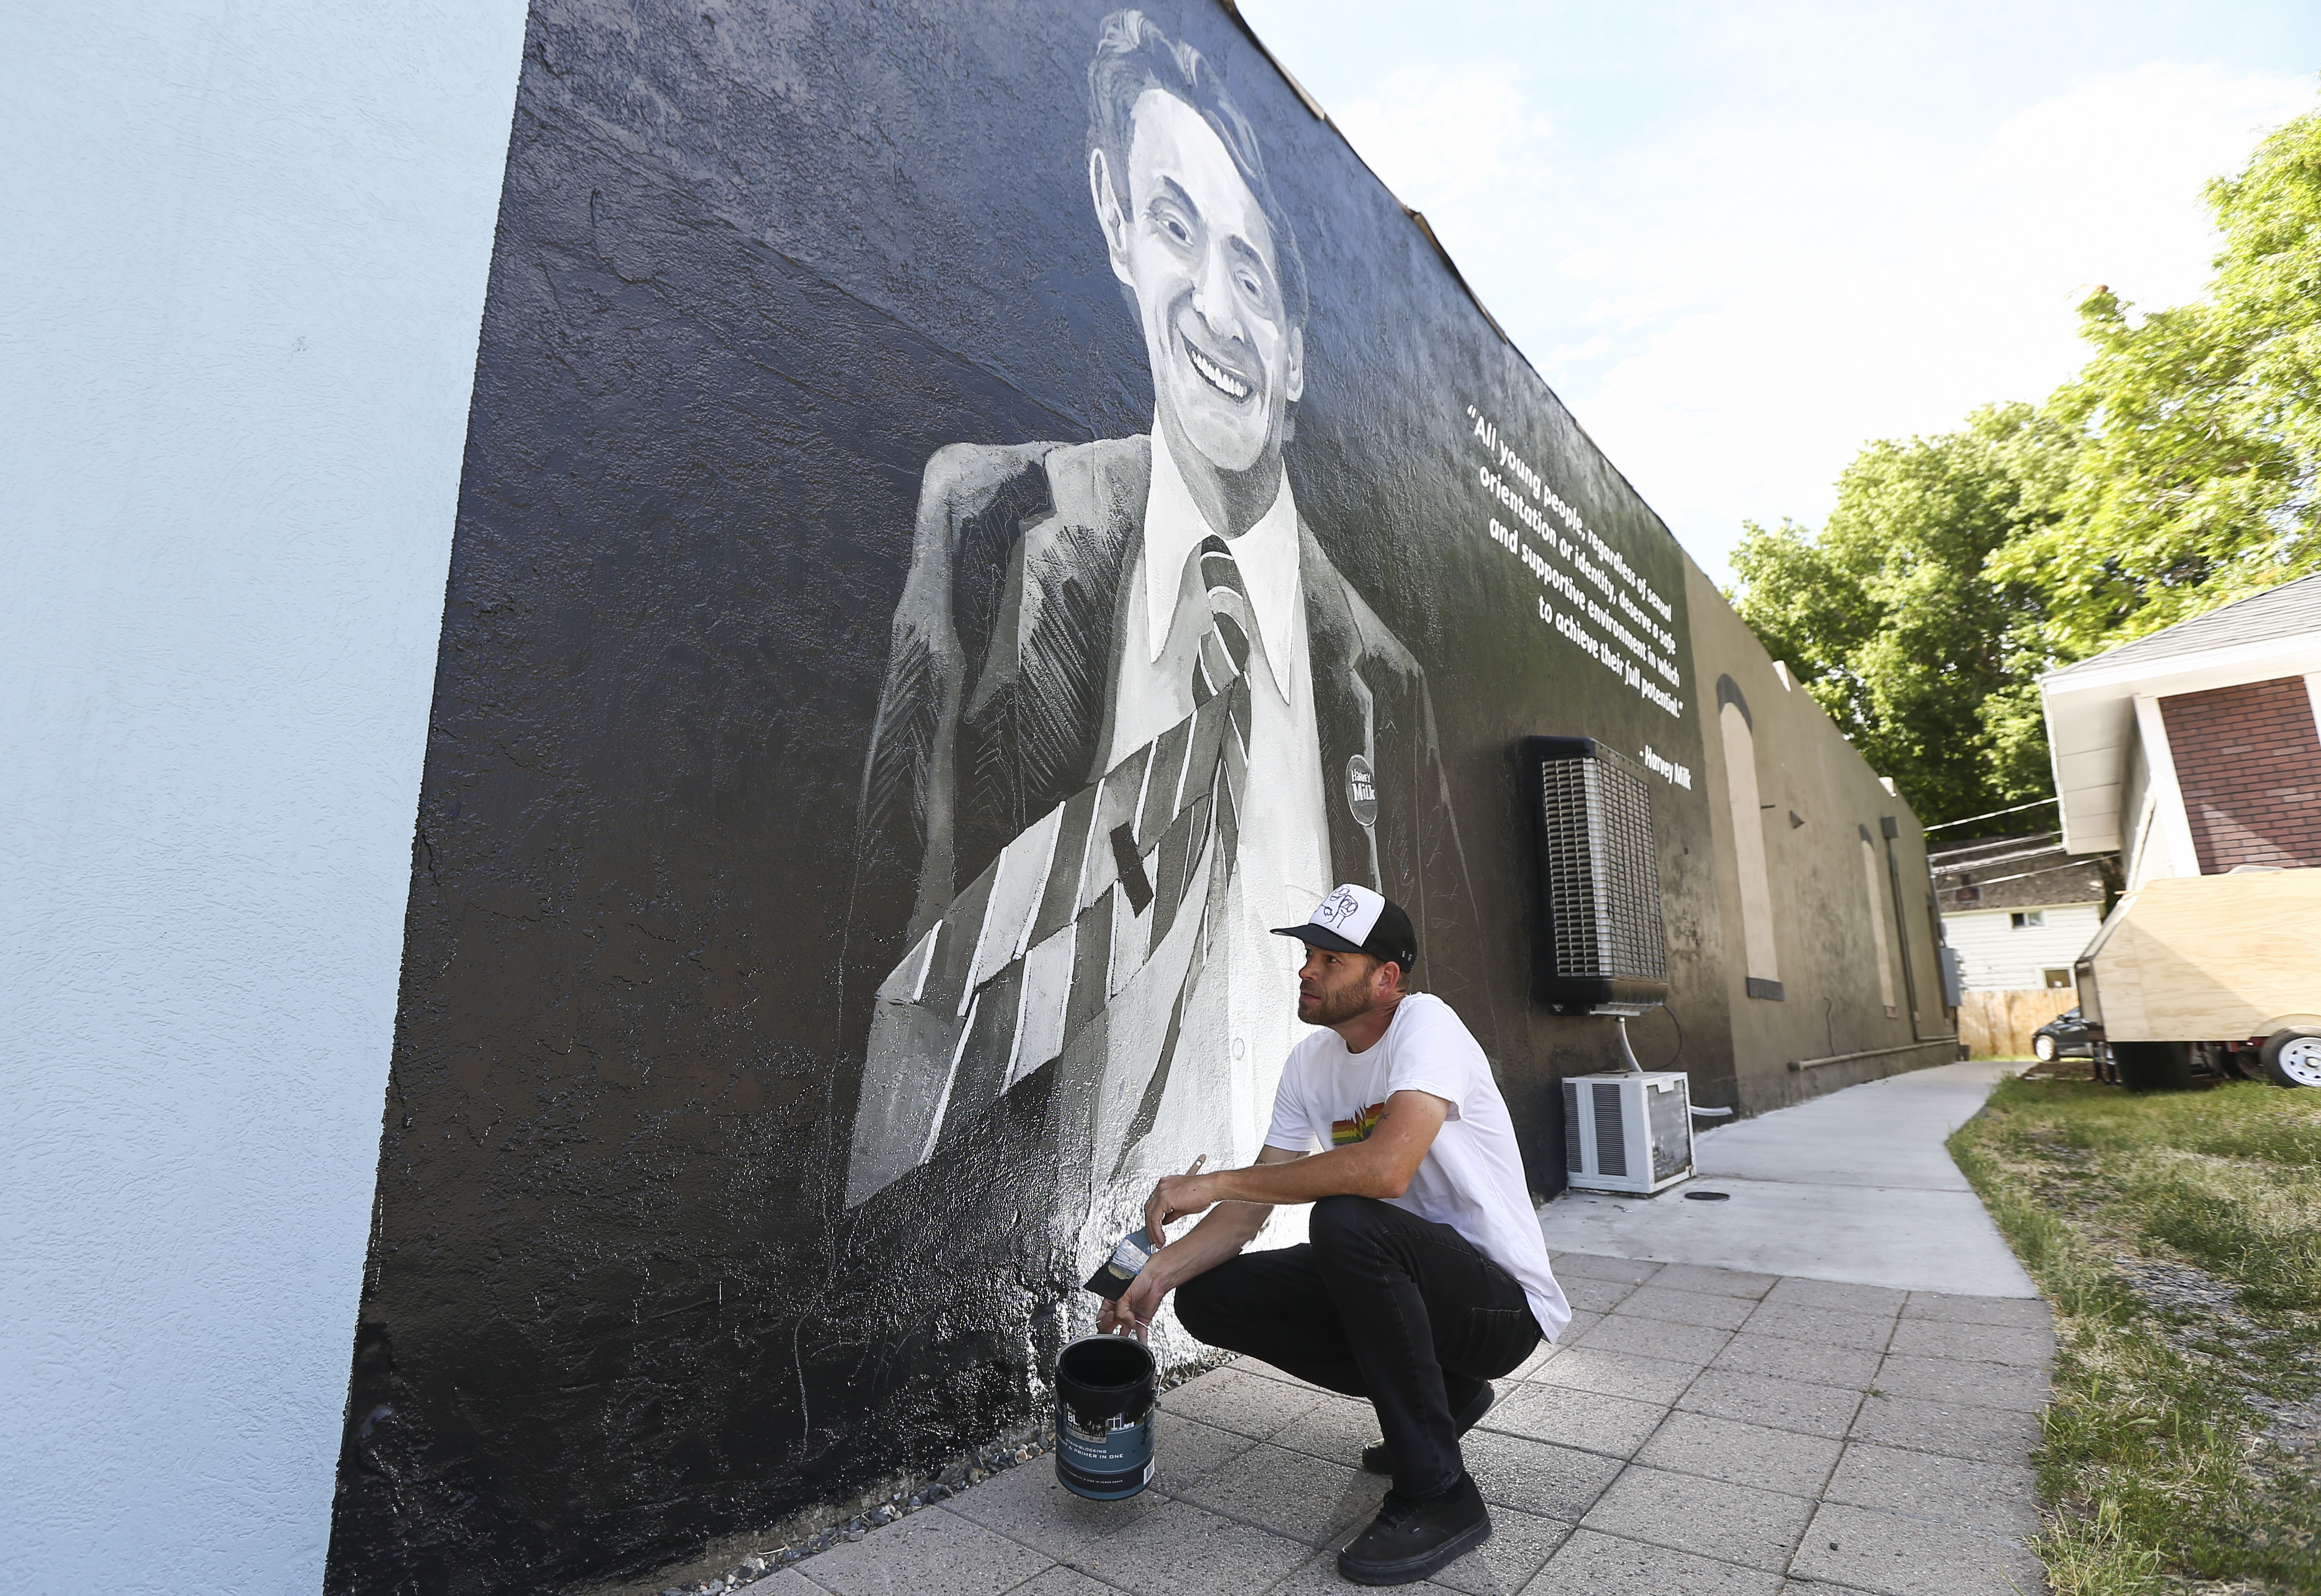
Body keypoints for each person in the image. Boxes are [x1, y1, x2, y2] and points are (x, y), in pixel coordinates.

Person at [841, 10, 1487, 1219]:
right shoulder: (987, 525)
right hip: (1030, 1240)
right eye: (1176, 227)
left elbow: (1418, 1000)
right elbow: (894, 931)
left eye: (1252, 273)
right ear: (1115, 223)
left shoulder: (1384, 683)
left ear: (1295, 353)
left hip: (1304, 1215)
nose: (1214, 307)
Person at [1098, 883, 1570, 1586]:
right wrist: (1157, 1274)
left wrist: (1213, 1180)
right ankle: (1446, 1395)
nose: (1306, 971)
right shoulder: (1308, 1066)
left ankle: (1440, 1493)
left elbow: (1384, 1169)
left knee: (1345, 1220)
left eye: (1330, 959)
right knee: (1210, 1297)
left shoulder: (1426, 1025)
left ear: (1386, 979)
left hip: (1497, 1306)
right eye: (1307, 955)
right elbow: (1245, 1216)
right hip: (1409, 1281)